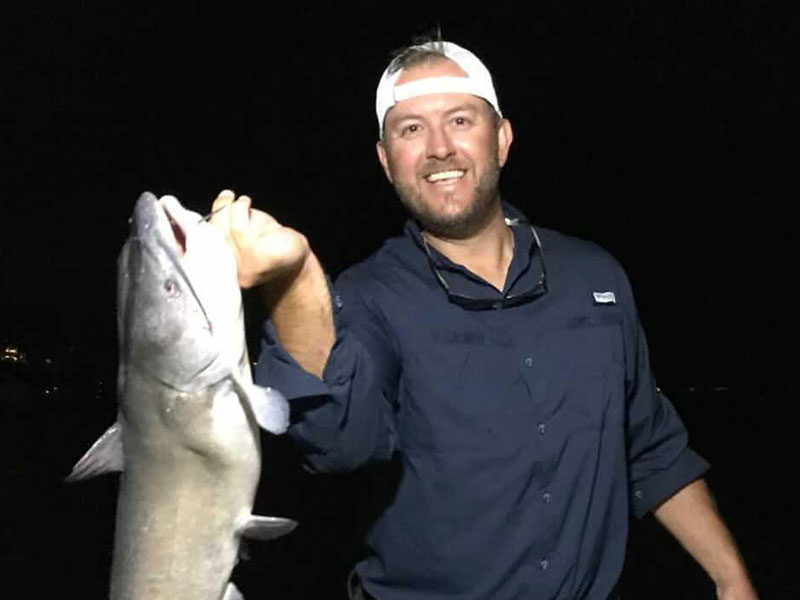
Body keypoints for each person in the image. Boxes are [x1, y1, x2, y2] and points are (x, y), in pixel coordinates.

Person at [210, 39, 758, 600]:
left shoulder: (596, 278)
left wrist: (731, 578)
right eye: (411, 130)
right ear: (385, 160)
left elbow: (650, 448)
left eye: (460, 120)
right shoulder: (365, 297)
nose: (439, 148)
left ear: (501, 139)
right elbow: (337, 445)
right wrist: (295, 280)